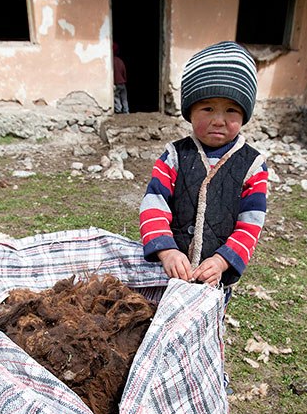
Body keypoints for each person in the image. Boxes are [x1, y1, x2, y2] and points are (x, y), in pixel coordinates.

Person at [139, 41, 267, 290]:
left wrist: (221, 261)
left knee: (206, 325)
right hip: (171, 273)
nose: (218, 120)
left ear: (244, 115)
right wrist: (166, 252)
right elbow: (153, 205)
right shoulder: (174, 156)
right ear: (190, 111)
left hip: (215, 278)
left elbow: (250, 224)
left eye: (231, 110)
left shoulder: (253, 166)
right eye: (207, 108)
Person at [113, 43, 129, 114]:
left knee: (116, 97)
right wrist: (124, 80)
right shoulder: (120, 61)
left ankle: (118, 110)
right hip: (122, 83)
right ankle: (126, 110)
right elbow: (124, 72)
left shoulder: (111, 61)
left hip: (116, 83)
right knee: (124, 98)